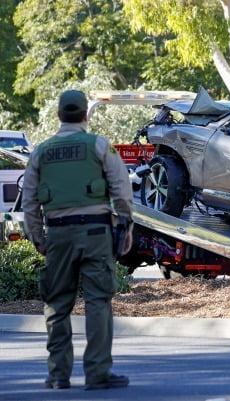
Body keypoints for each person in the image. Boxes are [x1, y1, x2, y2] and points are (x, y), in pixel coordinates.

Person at [22, 89, 134, 390]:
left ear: (59, 115)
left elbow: (30, 201)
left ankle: (58, 375)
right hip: (97, 232)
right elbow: (122, 189)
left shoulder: (41, 152)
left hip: (57, 233)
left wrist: (37, 237)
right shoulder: (99, 145)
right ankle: (97, 372)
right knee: (98, 301)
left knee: (57, 304)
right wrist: (126, 227)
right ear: (85, 114)